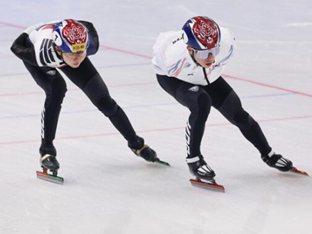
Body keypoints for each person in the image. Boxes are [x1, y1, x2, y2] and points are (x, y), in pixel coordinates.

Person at [152, 16, 294, 182]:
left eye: (214, 51)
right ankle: (194, 160)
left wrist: (206, 57)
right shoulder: (172, 57)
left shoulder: (227, 42)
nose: (211, 58)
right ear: (190, 49)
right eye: (204, 52)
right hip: (175, 78)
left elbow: (209, 61)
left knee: (238, 114)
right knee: (201, 102)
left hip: (207, 76)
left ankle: (269, 154)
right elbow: (168, 72)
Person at [11, 19, 160, 175]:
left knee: (105, 102)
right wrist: (29, 31)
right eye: (72, 54)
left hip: (66, 44)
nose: (76, 59)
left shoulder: (89, 46)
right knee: (56, 90)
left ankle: (136, 143)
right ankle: (46, 151)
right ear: (58, 48)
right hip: (34, 45)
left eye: (80, 52)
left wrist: (75, 42)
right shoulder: (41, 54)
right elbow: (15, 47)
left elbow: (87, 24)